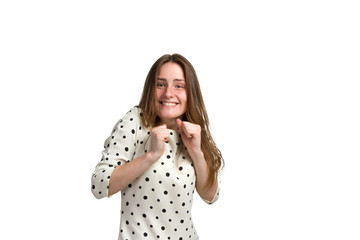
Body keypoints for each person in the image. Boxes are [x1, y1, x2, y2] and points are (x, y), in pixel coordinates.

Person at [91, 53, 224, 240]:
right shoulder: (136, 121)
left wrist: (196, 151)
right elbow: (99, 185)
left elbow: (211, 195)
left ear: (190, 92)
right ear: (150, 89)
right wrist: (150, 155)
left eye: (179, 86)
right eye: (160, 84)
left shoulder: (193, 130)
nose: (168, 93)